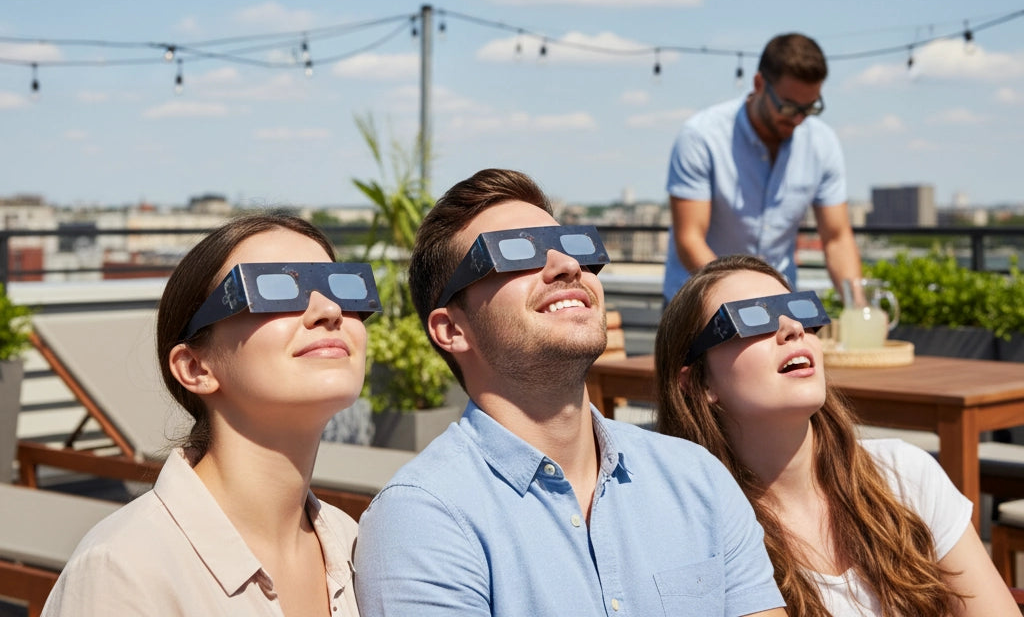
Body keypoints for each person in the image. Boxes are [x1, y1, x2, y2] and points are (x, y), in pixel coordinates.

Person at [355, 168, 786, 617]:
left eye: (574, 247)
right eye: (515, 252)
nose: (567, 265)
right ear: (452, 329)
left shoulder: (698, 480)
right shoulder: (425, 518)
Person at [43, 214, 379, 617]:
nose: (329, 310)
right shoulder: (124, 571)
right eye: (274, 289)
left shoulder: (356, 547)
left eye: (343, 288)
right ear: (195, 368)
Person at [654, 254, 1020, 617]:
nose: (792, 328)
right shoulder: (700, 536)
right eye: (751, 318)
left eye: (799, 310)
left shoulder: (903, 475)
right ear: (699, 382)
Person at [663, 31, 865, 305]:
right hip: (699, 307)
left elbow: (837, 238)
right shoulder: (701, 137)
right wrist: (746, 300)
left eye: (809, 108)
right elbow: (690, 240)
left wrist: (858, 307)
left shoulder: (822, 143)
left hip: (778, 307)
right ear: (759, 84)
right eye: (788, 107)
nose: (798, 120)